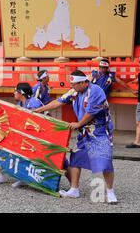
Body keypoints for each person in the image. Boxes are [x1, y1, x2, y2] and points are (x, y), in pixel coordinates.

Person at [34, 70, 117, 204]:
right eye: (72, 84)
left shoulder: (95, 91)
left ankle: (110, 191)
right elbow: (59, 101)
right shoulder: (75, 91)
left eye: (75, 85)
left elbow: (90, 113)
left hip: (99, 131)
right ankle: (74, 189)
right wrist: (39, 110)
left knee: (105, 161)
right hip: (84, 131)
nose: (73, 87)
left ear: (84, 82)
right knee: (76, 158)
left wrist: (78, 124)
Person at [12, 82, 44, 188]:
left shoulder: (34, 102)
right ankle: (23, 177)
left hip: (42, 134)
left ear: (21, 93)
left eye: (16, 90)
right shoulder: (20, 104)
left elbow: (39, 121)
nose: (14, 92)